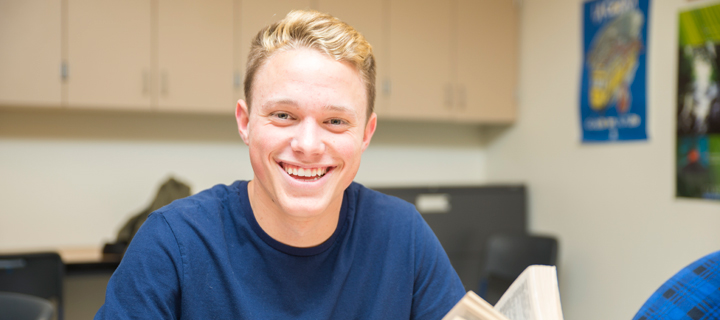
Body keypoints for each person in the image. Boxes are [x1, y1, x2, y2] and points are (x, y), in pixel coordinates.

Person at [95, 10, 465, 319]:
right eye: (284, 115)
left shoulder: (403, 236)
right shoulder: (173, 242)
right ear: (245, 122)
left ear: (366, 134)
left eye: (335, 121)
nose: (307, 145)